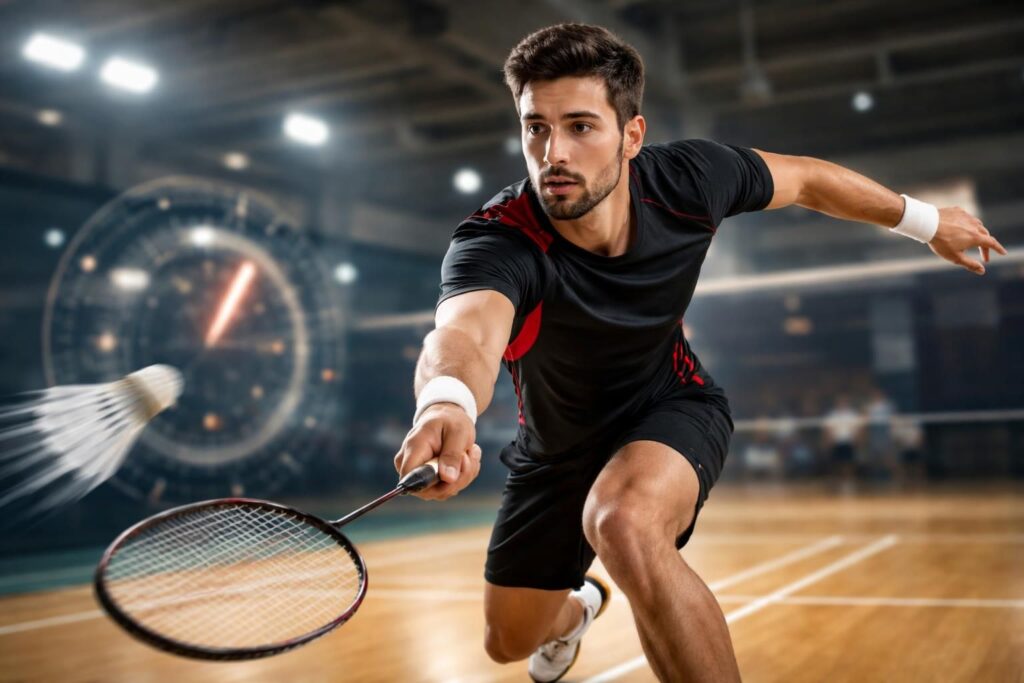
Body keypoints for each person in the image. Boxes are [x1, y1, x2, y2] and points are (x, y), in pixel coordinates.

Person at [392, 23, 1006, 683]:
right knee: (507, 641)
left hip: (670, 405)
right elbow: (466, 333)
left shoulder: (689, 180)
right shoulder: (499, 239)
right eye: (535, 127)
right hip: (554, 451)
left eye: (579, 126)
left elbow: (807, 180)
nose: (553, 152)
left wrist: (926, 221)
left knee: (623, 521)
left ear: (632, 136)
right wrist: (446, 401)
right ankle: (580, 610)